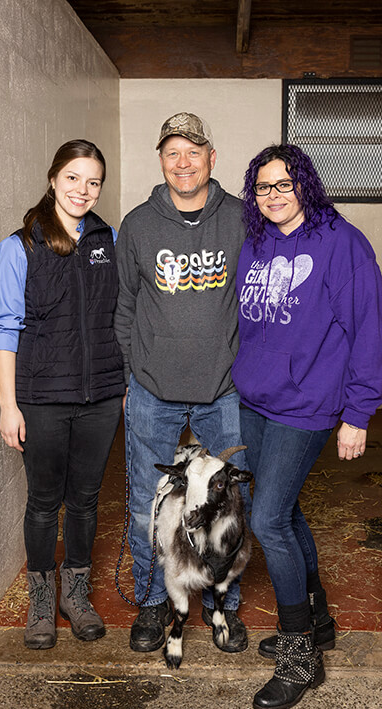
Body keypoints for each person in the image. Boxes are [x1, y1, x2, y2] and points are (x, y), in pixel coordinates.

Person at [232, 143, 382, 709]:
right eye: (263, 187)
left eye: (284, 185)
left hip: (308, 405)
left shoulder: (342, 243)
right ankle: (317, 622)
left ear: (306, 187)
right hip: (257, 402)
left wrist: (357, 414)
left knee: (267, 519)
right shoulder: (256, 243)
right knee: (286, 511)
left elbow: (369, 329)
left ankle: (300, 657)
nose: (273, 196)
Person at [115, 112, 250, 654]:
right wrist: (133, 371)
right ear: (161, 161)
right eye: (172, 152)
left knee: (230, 503)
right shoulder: (139, 225)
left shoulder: (241, 218)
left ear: (211, 158)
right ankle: (152, 600)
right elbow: (124, 306)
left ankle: (223, 604)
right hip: (152, 388)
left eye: (193, 151)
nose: (183, 162)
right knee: (148, 500)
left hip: (223, 389)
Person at [0, 139, 125, 650]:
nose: (83, 191)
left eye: (93, 182)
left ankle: (77, 594)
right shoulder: (20, 245)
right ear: (52, 179)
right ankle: (42, 600)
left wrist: (122, 385)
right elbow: (5, 329)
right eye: (73, 178)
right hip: (42, 397)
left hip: (102, 395)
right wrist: (8, 405)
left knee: (86, 500)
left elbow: (118, 317)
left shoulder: (107, 238)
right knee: (45, 504)